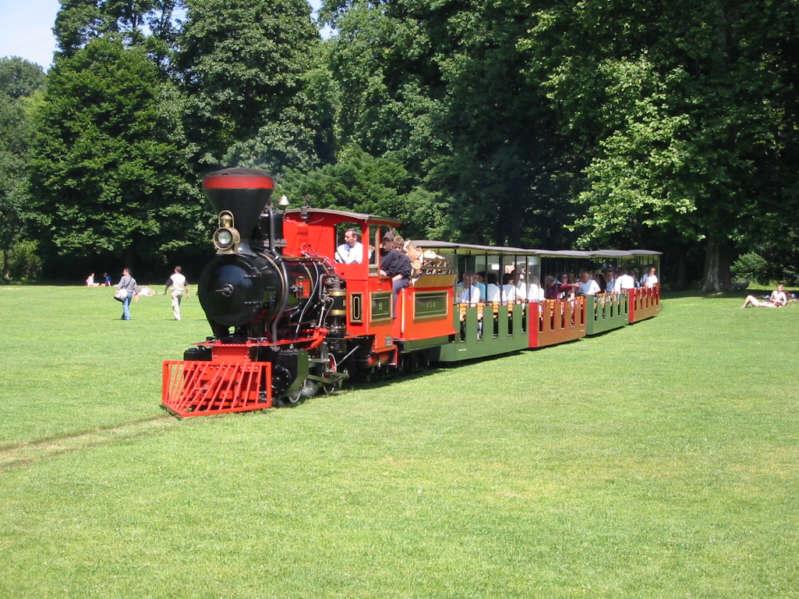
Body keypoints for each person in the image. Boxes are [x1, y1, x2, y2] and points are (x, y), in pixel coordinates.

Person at [379, 233, 411, 316]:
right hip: (390, 277)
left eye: (398, 248)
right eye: (395, 247)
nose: (397, 249)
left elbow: (403, 274)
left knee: (393, 286)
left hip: (402, 279)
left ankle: (392, 312)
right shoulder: (390, 255)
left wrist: (391, 279)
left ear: (402, 248)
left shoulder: (405, 258)